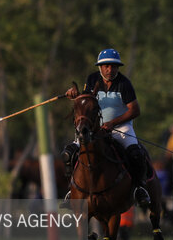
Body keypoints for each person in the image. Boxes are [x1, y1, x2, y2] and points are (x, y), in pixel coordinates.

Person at [61, 48, 151, 207]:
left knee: (136, 154)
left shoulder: (124, 84)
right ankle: (71, 190)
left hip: (121, 128)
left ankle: (139, 188)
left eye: (114, 66)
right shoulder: (92, 79)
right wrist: (74, 95)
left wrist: (112, 123)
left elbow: (135, 110)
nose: (110, 70)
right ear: (100, 67)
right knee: (69, 154)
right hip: (94, 129)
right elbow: (85, 101)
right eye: (106, 66)